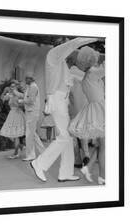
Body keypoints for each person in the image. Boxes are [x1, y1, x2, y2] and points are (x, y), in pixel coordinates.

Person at [30, 37, 98, 182]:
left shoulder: (61, 62)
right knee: (64, 137)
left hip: (62, 100)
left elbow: (74, 78)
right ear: (61, 45)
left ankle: (65, 173)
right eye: (66, 44)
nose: (70, 50)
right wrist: (93, 37)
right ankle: (39, 163)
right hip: (57, 100)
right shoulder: (53, 55)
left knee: (67, 138)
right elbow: (74, 43)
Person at [68, 46, 105, 184]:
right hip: (100, 109)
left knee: (102, 145)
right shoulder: (93, 73)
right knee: (104, 145)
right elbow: (108, 66)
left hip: (94, 109)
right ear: (92, 59)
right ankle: (102, 177)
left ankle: (89, 169)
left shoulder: (86, 77)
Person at [18, 74, 45, 161]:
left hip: (32, 113)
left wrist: (20, 101)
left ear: (31, 79)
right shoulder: (30, 87)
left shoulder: (33, 87)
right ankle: (43, 152)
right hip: (31, 112)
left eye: (26, 78)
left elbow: (30, 100)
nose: (25, 80)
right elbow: (26, 96)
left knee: (29, 134)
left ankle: (31, 155)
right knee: (33, 134)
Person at [0, 80, 26, 159]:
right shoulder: (9, 95)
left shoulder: (20, 95)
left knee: (16, 135)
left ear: (17, 87)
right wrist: (4, 91)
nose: (12, 88)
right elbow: (2, 98)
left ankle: (16, 152)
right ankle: (21, 146)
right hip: (11, 114)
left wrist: (19, 104)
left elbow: (24, 103)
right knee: (10, 134)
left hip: (18, 114)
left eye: (14, 86)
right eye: (11, 86)